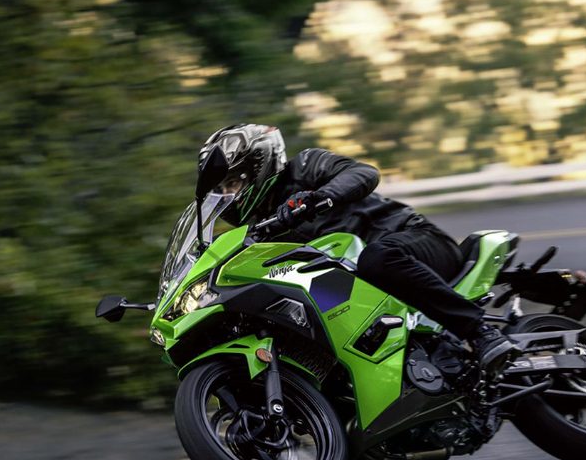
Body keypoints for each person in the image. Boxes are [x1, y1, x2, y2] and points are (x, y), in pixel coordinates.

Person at [201, 123, 516, 370]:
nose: (230, 195)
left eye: (234, 183)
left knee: (377, 258)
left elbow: (363, 173)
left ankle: (480, 332)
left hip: (415, 240)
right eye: (222, 190)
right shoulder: (261, 229)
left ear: (257, 167)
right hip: (363, 289)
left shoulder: (306, 167)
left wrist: (319, 197)